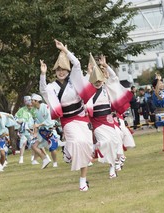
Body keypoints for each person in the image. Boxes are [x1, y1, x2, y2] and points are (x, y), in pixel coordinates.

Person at [40, 39, 96, 191]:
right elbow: (43, 91)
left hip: (81, 117)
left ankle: (83, 180)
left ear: (68, 70)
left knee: (86, 145)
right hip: (68, 120)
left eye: (63, 69)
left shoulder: (74, 81)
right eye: (58, 69)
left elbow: (77, 64)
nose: (60, 71)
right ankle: (68, 150)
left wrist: (64, 50)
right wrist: (43, 74)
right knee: (77, 142)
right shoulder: (52, 86)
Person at [86, 54, 132, 178]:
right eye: (95, 80)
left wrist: (106, 66)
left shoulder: (106, 88)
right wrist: (89, 73)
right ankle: (95, 148)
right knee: (105, 141)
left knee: (116, 140)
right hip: (96, 121)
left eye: (99, 80)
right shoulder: (88, 90)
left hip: (108, 119)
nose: (97, 82)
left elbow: (114, 78)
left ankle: (113, 166)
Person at [31, 93, 59, 168]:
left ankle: (55, 162)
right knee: (34, 146)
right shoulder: (35, 110)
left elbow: (49, 120)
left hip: (49, 130)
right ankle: (45, 159)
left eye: (32, 100)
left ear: (37, 101)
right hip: (42, 131)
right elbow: (37, 122)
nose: (31, 102)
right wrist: (35, 131)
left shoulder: (45, 107)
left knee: (52, 148)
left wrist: (39, 125)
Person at [15, 96, 37, 164]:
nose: (30, 105)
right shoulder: (21, 110)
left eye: (31, 104)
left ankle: (33, 156)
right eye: (28, 104)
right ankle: (21, 158)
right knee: (23, 143)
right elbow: (15, 118)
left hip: (32, 129)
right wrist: (19, 121)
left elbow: (36, 118)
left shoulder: (34, 109)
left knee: (33, 143)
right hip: (24, 130)